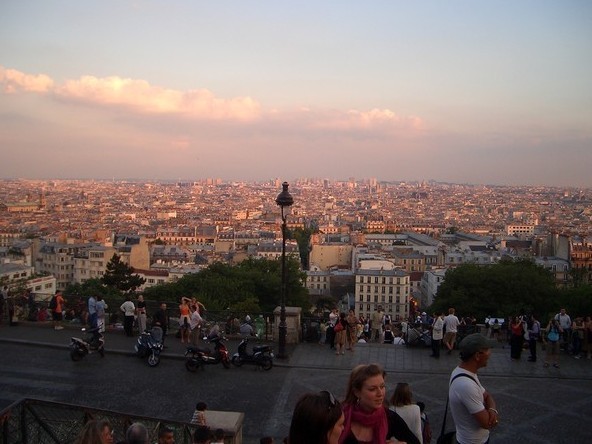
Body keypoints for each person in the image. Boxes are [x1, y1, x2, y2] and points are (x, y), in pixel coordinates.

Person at [339, 363, 419, 444]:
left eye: (382, 386)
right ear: (357, 392)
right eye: (372, 389)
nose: (380, 393)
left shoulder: (391, 419)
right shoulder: (340, 418)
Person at [449, 334, 499, 444]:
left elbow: (487, 395)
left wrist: (492, 410)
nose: (490, 354)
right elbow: (487, 423)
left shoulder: (462, 372)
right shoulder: (466, 385)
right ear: (477, 356)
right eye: (487, 350)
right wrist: (493, 414)